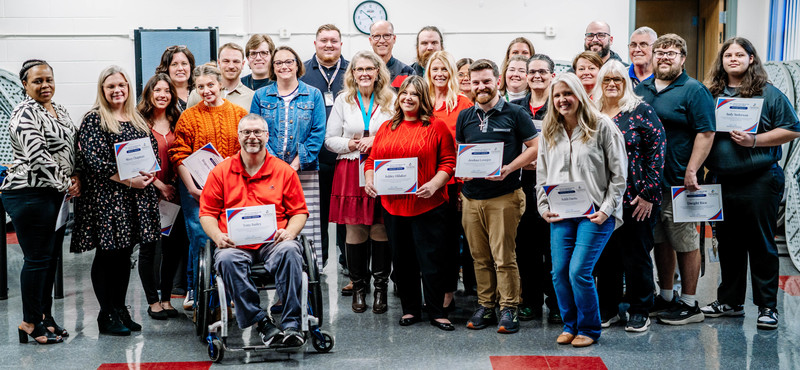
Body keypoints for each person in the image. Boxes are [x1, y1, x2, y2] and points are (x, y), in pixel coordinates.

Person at [702, 37, 800, 330]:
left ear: (751, 59)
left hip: (759, 180)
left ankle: (767, 307)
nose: (733, 59)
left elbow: (792, 129)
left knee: (761, 244)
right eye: (728, 55)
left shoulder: (768, 94)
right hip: (722, 180)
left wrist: (754, 140)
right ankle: (730, 302)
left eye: (739, 54)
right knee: (728, 244)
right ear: (722, 61)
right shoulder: (711, 94)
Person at [200, 114, 309, 349]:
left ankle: (291, 324)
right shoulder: (221, 172)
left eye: (258, 132)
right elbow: (207, 213)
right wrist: (218, 237)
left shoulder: (284, 171)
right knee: (226, 260)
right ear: (238, 136)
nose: (252, 137)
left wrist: (290, 232)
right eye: (247, 132)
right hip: (235, 243)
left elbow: (299, 211)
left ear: (267, 136)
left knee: (291, 250)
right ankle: (261, 323)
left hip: (275, 241)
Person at [536, 73, 627, 347]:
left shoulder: (603, 126)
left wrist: (608, 209)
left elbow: (619, 175)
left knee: (579, 271)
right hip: (561, 213)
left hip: (596, 212)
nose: (563, 100)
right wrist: (543, 207)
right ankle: (569, 325)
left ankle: (589, 328)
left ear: (580, 95)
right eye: (557, 96)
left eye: (568, 94)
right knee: (559, 271)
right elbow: (542, 174)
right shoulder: (549, 129)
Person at [71, 65, 161, 336]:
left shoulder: (136, 118)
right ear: (102, 90)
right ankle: (105, 313)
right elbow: (94, 160)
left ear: (128, 87)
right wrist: (128, 180)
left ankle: (120, 309)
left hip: (135, 198)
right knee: (108, 255)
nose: (117, 90)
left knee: (124, 256)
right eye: (110, 86)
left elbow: (151, 152)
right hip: (107, 199)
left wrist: (149, 175)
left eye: (121, 85)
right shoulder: (94, 119)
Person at [364, 76, 457, 331]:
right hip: (394, 206)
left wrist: (434, 184)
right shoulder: (386, 127)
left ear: (423, 99)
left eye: (415, 94)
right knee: (403, 261)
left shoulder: (436, 127)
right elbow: (372, 160)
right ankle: (410, 310)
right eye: (405, 93)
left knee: (432, 260)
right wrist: (370, 180)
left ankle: (438, 312)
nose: (408, 98)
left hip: (428, 204)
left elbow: (449, 162)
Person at [634, 33, 715, 326]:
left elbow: (706, 133)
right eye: (660, 52)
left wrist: (692, 169)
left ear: (682, 58)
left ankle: (690, 303)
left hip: (680, 182)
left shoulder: (694, 90)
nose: (665, 57)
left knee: (685, 240)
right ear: (652, 57)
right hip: (648, 185)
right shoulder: (641, 89)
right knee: (660, 241)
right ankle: (666, 296)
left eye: (672, 52)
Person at [457, 59, 539, 334]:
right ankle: (486, 305)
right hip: (471, 197)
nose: (481, 87)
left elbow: (535, 147)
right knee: (479, 257)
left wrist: (508, 169)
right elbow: (461, 150)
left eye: (486, 81)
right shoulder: (465, 116)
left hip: (504, 196)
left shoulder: (516, 113)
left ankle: (509, 308)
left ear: (498, 81)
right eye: (476, 82)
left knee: (504, 257)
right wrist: (463, 171)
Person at [2, 59, 80, 344]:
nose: (45, 85)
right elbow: (38, 156)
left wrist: (75, 177)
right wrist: (66, 184)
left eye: (49, 79)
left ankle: (45, 317)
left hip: (55, 194)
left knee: (48, 260)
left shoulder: (57, 109)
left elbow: (71, 147)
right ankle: (29, 322)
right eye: (37, 81)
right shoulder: (25, 113)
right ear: (25, 84)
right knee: (36, 260)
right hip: (29, 193)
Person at [593, 60, 665, 332]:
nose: (612, 84)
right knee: (605, 257)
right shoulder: (593, 112)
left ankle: (640, 309)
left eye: (618, 80)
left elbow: (656, 153)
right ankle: (609, 308)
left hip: (636, 199)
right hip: (602, 200)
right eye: (607, 79)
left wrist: (648, 194)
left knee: (636, 256)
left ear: (627, 83)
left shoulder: (640, 110)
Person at [169, 64, 248, 310]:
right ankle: (196, 289)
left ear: (221, 84)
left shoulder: (238, 113)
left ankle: (230, 289)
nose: (206, 90)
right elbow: (179, 154)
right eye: (200, 86)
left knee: (229, 236)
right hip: (196, 186)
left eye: (210, 85)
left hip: (231, 185)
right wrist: (191, 188)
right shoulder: (189, 116)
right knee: (201, 237)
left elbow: (247, 151)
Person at [325, 51, 395, 314]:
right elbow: (330, 140)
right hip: (351, 166)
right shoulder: (344, 100)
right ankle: (358, 288)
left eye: (369, 68)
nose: (364, 73)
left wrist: (376, 141)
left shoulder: (392, 98)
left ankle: (380, 291)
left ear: (378, 71)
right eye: (359, 69)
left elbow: (398, 133)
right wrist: (353, 143)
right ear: (352, 73)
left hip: (381, 168)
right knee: (355, 230)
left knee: (380, 228)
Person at [253, 45, 327, 275]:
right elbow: (256, 131)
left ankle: (308, 274)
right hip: (268, 172)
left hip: (303, 171)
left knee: (306, 224)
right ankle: (278, 271)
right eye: (278, 63)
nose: (284, 66)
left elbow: (318, 133)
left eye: (289, 62)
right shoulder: (261, 96)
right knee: (274, 221)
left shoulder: (313, 94)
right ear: (272, 68)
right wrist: (276, 166)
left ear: (297, 65)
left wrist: (295, 165)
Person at [509, 54, 561, 323]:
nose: (537, 76)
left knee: (553, 247)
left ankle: (556, 303)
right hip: (522, 184)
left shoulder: (561, 106)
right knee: (525, 247)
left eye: (543, 71)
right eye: (532, 72)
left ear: (553, 75)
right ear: (526, 76)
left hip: (553, 185)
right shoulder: (514, 108)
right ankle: (529, 300)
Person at [424, 50, 475, 309]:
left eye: (444, 69)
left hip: (455, 183)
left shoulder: (463, 103)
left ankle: (448, 292)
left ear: (452, 72)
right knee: (432, 238)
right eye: (435, 69)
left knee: (450, 238)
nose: (440, 74)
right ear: (428, 73)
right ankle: (432, 288)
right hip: (425, 181)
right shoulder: (424, 101)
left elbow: (469, 144)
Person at [136, 73, 186, 320]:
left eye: (167, 90)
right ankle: (152, 301)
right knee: (148, 249)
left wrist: (173, 185)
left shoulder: (179, 120)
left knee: (172, 249)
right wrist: (159, 185)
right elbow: (133, 160)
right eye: (157, 90)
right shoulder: (139, 123)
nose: (162, 95)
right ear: (149, 93)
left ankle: (166, 298)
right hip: (147, 193)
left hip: (174, 194)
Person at [300, 24, 349, 275]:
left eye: (334, 40)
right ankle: (316, 263)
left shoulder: (353, 71)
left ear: (341, 44)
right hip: (314, 158)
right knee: (315, 214)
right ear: (315, 43)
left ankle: (348, 263)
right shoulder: (302, 72)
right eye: (323, 41)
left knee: (345, 213)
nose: (328, 45)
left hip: (346, 156)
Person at [188, 43, 254, 110]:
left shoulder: (252, 97)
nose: (231, 66)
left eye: (236, 61)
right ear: (219, 63)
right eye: (226, 61)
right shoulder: (198, 94)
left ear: (242, 64)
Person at [369, 20, 415, 87]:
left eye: (387, 35)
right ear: (370, 40)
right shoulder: (363, 73)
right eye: (376, 36)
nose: (382, 40)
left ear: (394, 39)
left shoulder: (407, 73)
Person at [155, 45, 195, 109]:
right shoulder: (159, 95)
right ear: (166, 68)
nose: (180, 68)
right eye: (174, 64)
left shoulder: (200, 92)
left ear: (191, 67)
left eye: (184, 64)